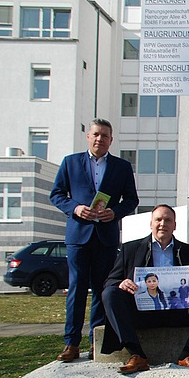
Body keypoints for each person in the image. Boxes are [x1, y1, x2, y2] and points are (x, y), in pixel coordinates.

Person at [49, 118, 139, 362]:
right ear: (88, 137)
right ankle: (71, 343)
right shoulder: (70, 163)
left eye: (105, 136)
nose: (100, 139)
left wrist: (115, 212)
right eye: (96, 134)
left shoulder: (121, 167)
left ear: (111, 140)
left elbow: (132, 200)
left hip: (106, 236)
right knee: (77, 289)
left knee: (102, 289)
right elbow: (56, 194)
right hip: (79, 236)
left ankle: (95, 340)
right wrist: (75, 208)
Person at [101, 205, 189, 374]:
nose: (162, 224)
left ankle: (187, 355)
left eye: (168, 220)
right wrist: (121, 283)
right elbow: (110, 281)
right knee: (110, 293)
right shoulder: (130, 249)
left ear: (175, 225)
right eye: (158, 220)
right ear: (151, 224)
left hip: (179, 311)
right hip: (142, 310)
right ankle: (137, 355)